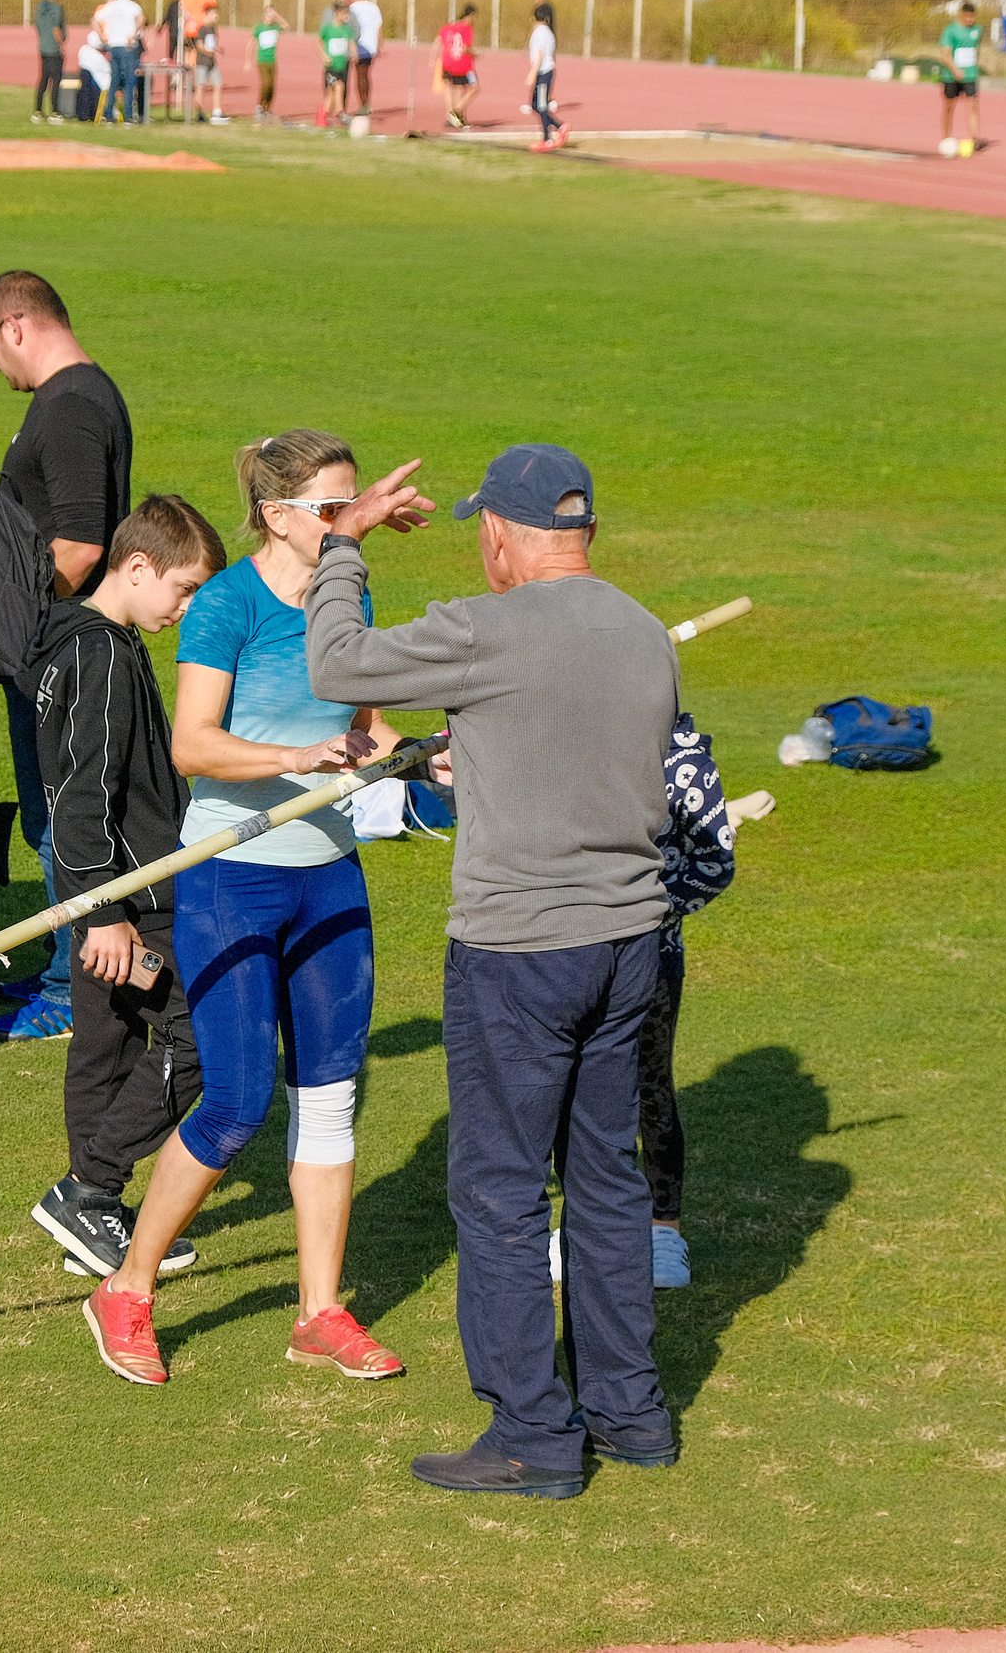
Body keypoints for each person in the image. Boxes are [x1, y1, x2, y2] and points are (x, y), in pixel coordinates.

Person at [303, 441, 682, 1500]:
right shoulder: (644, 632)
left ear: (505, 534)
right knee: (605, 1180)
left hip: (519, 952)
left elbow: (336, 666)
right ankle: (631, 1414)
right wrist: (461, 756)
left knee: (502, 1192)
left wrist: (342, 545)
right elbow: (568, 755)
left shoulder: (486, 628)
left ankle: (532, 1436)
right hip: (628, 944)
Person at [78, 429, 406, 1389]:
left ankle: (320, 1311)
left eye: (350, 506)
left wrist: (421, 753)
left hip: (328, 876)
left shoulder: (347, 597)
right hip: (233, 876)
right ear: (276, 515)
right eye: (332, 509)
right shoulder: (225, 605)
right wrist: (296, 759)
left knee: (331, 1096)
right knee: (233, 1103)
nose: (348, 523)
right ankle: (126, 1288)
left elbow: (361, 721)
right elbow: (193, 744)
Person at [24, 496, 227, 1282]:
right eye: (183, 589)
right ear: (137, 566)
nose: (187, 609)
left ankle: (91, 1216)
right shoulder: (102, 652)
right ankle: (89, 1184)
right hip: (133, 896)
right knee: (200, 1038)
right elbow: (83, 794)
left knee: (104, 1043)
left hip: (95, 890)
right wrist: (104, 913)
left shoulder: (81, 638)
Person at [0, 270, 135, 1043]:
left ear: (14, 325)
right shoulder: (74, 397)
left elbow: (80, 543)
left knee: (61, 819)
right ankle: (60, 966)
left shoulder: (69, 406)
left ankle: (74, 994)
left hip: (61, 647)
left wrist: (24, 625)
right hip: (56, 643)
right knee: (49, 813)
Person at [632, 749, 772, 1291]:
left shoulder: (686, 764)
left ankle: (663, 1231)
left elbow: (714, 864)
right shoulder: (578, 736)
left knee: (650, 1088)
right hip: (576, 955)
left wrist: (643, 910)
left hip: (653, 957)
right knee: (581, 1094)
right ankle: (590, 1226)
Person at [178, 0, 225, 123]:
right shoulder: (203, 28)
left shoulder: (212, 28)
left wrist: (215, 50)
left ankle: (217, 111)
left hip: (194, 35)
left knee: (217, 83)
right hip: (203, 58)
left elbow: (184, 11)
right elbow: (200, 46)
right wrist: (211, 51)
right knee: (200, 85)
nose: (216, 16)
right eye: (214, 14)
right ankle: (198, 111)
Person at [940, 0, 983, 153]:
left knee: (972, 105)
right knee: (949, 106)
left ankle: (975, 138)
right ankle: (946, 138)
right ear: (961, 14)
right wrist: (955, 69)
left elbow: (976, 50)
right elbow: (945, 54)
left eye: (973, 17)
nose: (970, 20)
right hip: (952, 76)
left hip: (970, 75)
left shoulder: (977, 30)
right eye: (968, 16)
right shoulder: (950, 30)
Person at [525, 0, 566, 152]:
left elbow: (540, 55)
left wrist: (532, 73)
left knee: (541, 106)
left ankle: (548, 138)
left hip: (543, 73)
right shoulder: (549, 33)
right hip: (546, 72)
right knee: (535, 105)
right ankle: (560, 126)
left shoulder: (539, 33)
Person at [101, 0, 146, 124]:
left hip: (114, 46)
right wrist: (133, 35)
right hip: (127, 46)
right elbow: (142, 19)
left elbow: (95, 19)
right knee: (129, 81)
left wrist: (103, 38)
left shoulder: (111, 6)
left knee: (114, 80)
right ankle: (128, 115)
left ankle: (108, 113)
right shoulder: (133, 6)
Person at [434, 1, 480, 128]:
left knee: (454, 88)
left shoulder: (450, 27)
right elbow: (465, 48)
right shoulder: (466, 29)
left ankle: (455, 116)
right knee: (475, 88)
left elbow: (438, 41)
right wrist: (475, 54)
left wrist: (433, 59)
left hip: (448, 62)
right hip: (463, 64)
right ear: (470, 15)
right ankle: (457, 111)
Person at [318, 0, 358, 128]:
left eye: (348, 14)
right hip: (331, 67)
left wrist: (354, 53)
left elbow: (351, 42)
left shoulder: (346, 29)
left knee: (330, 97)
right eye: (344, 14)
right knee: (339, 86)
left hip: (342, 65)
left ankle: (322, 119)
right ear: (337, 14)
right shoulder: (328, 29)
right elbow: (317, 43)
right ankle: (342, 114)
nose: (347, 16)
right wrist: (324, 55)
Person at [346, 0, 383, 113]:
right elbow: (379, 27)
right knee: (366, 74)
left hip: (358, 43)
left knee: (359, 75)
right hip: (371, 44)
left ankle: (363, 105)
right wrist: (380, 45)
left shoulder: (351, 8)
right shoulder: (373, 7)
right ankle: (366, 103)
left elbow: (348, 28)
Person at [32, 0, 68, 123]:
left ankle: (37, 111)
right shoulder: (55, 8)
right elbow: (55, 28)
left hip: (43, 47)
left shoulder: (40, 7)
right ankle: (54, 112)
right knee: (56, 80)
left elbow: (38, 26)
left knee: (43, 79)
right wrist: (61, 45)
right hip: (53, 49)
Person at [252, 2, 285, 122]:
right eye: (269, 14)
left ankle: (267, 110)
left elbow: (286, 26)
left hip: (272, 61)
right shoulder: (260, 28)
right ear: (265, 15)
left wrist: (277, 16)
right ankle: (259, 107)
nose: (271, 17)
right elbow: (251, 44)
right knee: (265, 84)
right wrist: (247, 60)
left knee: (272, 86)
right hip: (262, 60)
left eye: (272, 14)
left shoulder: (276, 27)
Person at [78, 14, 112, 126]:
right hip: (99, 84)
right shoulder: (98, 57)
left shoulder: (83, 51)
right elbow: (108, 70)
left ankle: (85, 114)